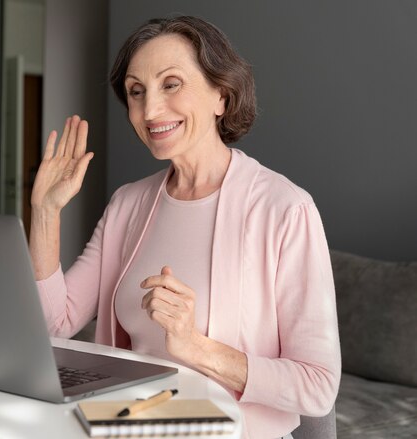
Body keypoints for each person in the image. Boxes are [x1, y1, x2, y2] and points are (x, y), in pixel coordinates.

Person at [28, 16, 340, 439]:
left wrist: (195, 345)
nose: (149, 109)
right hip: (131, 426)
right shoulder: (128, 203)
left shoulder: (285, 209)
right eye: (136, 91)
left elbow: (318, 386)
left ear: (221, 96)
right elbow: (53, 325)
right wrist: (45, 213)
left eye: (171, 84)